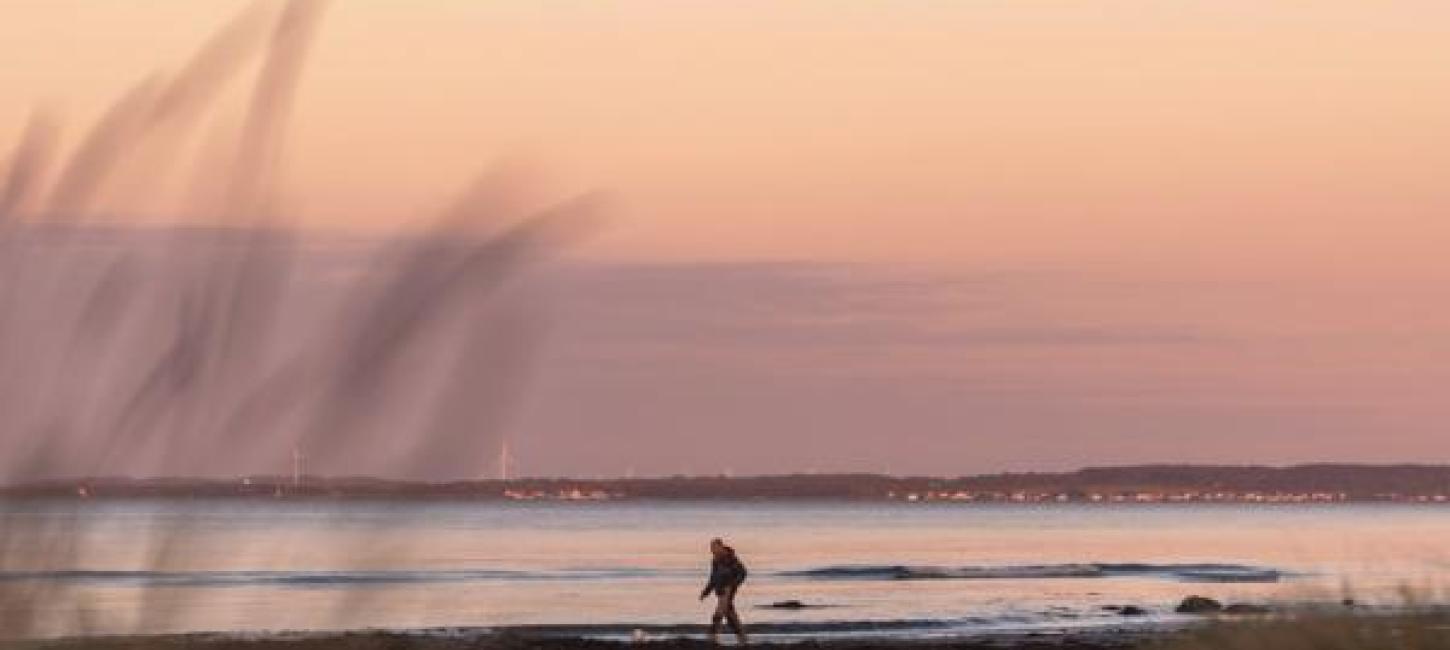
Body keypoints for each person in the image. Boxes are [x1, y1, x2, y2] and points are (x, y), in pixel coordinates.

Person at [699, 537, 748, 644]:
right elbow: (713, 578)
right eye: (711, 548)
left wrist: (733, 585)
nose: (712, 550)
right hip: (719, 589)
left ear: (720, 546)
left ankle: (712, 637)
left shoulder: (730, 558)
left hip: (727, 589)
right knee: (730, 616)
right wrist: (706, 592)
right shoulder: (715, 560)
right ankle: (742, 638)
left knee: (718, 613)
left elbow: (743, 573)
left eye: (714, 547)